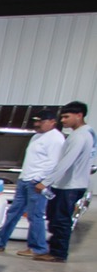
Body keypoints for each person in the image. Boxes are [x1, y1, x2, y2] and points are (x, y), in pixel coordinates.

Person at [0, 108, 65, 256]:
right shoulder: (36, 137)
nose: (37, 124)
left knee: (35, 216)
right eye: (36, 121)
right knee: (13, 212)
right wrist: (23, 177)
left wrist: (40, 180)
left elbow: (53, 163)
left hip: (37, 183)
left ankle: (37, 248)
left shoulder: (56, 139)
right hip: (24, 180)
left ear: (53, 122)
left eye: (41, 121)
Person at [36, 100, 94, 263]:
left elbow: (66, 161)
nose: (63, 121)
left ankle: (58, 253)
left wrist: (46, 182)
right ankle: (55, 250)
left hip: (69, 185)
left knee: (60, 220)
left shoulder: (79, 136)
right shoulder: (88, 133)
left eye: (66, 117)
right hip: (73, 184)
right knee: (57, 218)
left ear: (79, 115)